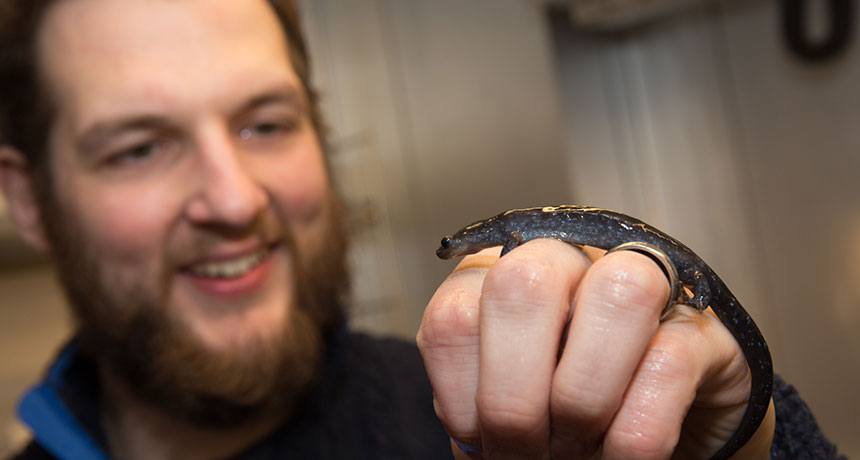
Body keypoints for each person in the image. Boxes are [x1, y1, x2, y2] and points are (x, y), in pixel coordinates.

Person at [0, 0, 844, 459]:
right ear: (28, 198)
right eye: (140, 147)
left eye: (265, 122)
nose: (233, 198)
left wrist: (747, 450)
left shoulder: (518, 427)